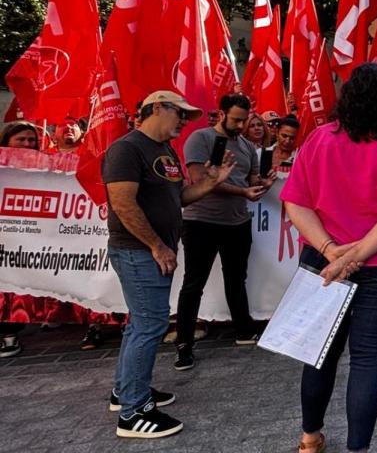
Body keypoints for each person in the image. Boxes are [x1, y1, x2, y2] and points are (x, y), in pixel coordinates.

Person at [279, 63, 377, 453]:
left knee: (319, 353)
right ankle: (357, 449)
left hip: (325, 260)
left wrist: (330, 251)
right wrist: (350, 256)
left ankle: (309, 439)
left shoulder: (319, 139)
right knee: (368, 358)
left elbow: (295, 202)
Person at [103, 91, 235, 438]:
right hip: (138, 251)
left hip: (148, 250)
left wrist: (210, 183)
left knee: (140, 325)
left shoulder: (163, 152)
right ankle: (133, 412)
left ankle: (127, 390)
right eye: (180, 113)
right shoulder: (127, 149)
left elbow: (178, 198)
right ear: (158, 108)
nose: (184, 122)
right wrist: (157, 246)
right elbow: (122, 203)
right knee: (150, 325)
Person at [173, 94, 275, 371]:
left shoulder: (245, 145)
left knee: (236, 278)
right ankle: (184, 343)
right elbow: (198, 180)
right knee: (194, 283)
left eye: (244, 120)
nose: (241, 125)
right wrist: (242, 190)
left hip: (237, 222)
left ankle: (243, 330)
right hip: (201, 222)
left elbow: (251, 179)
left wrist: (263, 182)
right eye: (236, 119)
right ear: (221, 113)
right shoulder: (201, 139)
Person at [0, 122, 42, 358]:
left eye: (31, 140)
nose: (28, 145)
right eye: (21, 140)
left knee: (14, 289)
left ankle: (10, 333)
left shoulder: (48, 167)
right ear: (6, 142)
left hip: (28, 237)